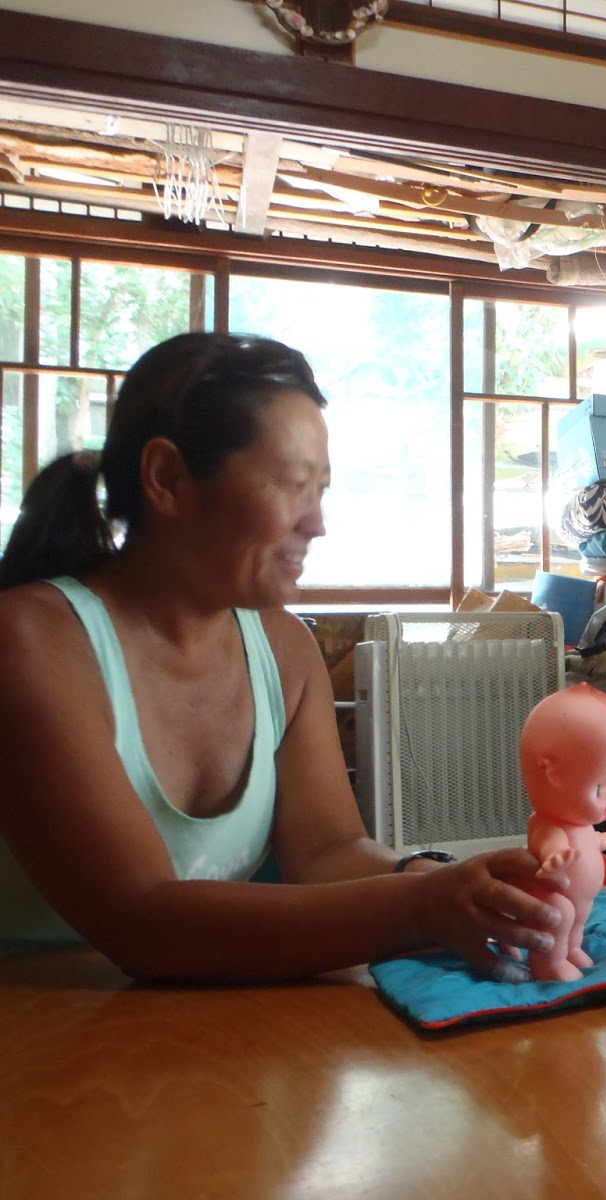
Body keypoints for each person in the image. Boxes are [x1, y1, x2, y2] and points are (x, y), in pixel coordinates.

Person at [0, 332, 565, 981]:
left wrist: (446, 879)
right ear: (166, 478)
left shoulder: (283, 649)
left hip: (206, 1034)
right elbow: (144, 920)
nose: (317, 522)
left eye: (321, 490)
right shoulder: (34, 643)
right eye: (294, 485)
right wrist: (422, 906)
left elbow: (325, 850)